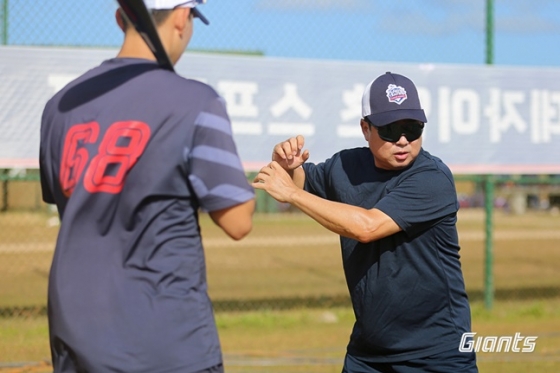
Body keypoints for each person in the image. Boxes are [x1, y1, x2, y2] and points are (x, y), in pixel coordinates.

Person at [39, 1, 255, 372]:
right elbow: (238, 220)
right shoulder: (196, 100)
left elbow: (66, 204)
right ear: (182, 18)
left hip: (75, 336)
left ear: (121, 17)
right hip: (164, 340)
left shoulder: (59, 106)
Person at [252, 72, 478, 372]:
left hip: (435, 352)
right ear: (365, 128)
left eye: (413, 129)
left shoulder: (432, 178)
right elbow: (304, 182)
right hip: (369, 354)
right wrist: (287, 168)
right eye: (389, 130)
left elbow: (367, 227)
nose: (402, 140)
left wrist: (291, 193)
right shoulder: (345, 166)